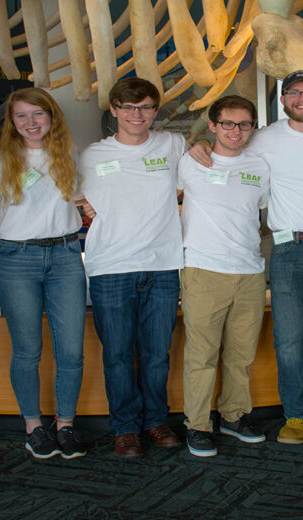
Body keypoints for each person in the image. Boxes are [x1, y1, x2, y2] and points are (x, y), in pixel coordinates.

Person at [190, 70, 303, 445]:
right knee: (290, 339)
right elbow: (227, 145)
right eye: (294, 92)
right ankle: (296, 414)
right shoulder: (262, 138)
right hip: (289, 248)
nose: (302, 98)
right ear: (283, 99)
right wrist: (198, 143)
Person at [0, 87, 88, 459]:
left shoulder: (70, 154)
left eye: (37, 114)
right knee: (27, 350)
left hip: (66, 256)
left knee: (71, 350)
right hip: (16, 259)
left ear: (51, 116)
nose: (30, 123)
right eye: (21, 116)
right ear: (11, 121)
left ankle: (66, 426)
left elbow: (87, 203)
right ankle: (34, 428)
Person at [78, 78, 186, 457]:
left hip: (163, 265)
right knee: (119, 354)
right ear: (114, 111)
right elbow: (64, 190)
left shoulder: (174, 145)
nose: (136, 115)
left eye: (144, 107)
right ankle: (126, 428)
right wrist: (80, 204)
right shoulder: (91, 155)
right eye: (128, 107)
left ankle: (155, 421)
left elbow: (196, 175)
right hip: (110, 266)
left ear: (155, 111)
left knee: (158, 353)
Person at [178, 95, 270, 457]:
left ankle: (233, 416)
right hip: (203, 270)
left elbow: (262, 218)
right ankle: (197, 425)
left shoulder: (260, 166)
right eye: (228, 123)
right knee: (201, 354)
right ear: (213, 126)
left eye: (244, 124)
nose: (236, 131)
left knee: (241, 354)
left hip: (249, 272)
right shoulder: (190, 161)